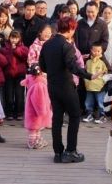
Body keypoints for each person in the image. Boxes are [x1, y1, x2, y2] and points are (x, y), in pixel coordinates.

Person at [39, 18, 96, 164]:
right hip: (66, 86)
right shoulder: (67, 46)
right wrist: (89, 75)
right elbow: (72, 66)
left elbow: (43, 66)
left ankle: (58, 152)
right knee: (75, 116)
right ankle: (71, 151)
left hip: (52, 86)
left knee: (57, 118)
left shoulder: (47, 44)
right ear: (71, 29)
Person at [0, 30, 28, 122]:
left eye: (16, 38)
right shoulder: (4, 48)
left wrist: (15, 49)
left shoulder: (23, 48)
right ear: (9, 38)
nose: (14, 40)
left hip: (20, 74)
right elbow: (2, 60)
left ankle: (19, 113)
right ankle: (9, 113)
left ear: (19, 39)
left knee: (19, 95)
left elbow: (24, 57)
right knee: (9, 95)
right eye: (12, 38)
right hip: (8, 74)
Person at [22, 63, 51, 149]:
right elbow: (39, 100)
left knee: (36, 127)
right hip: (36, 110)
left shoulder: (31, 80)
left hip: (31, 108)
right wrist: (42, 111)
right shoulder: (39, 84)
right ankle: (32, 143)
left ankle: (37, 140)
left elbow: (23, 82)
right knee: (34, 127)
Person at [83, 43, 109, 123]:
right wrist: (85, 80)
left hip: (99, 86)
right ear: (91, 51)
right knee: (88, 102)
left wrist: (103, 81)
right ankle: (89, 114)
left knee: (100, 102)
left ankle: (102, 115)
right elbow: (84, 72)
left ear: (101, 51)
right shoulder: (88, 62)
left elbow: (106, 72)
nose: (96, 53)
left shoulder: (102, 62)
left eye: (98, 51)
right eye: (94, 51)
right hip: (89, 85)